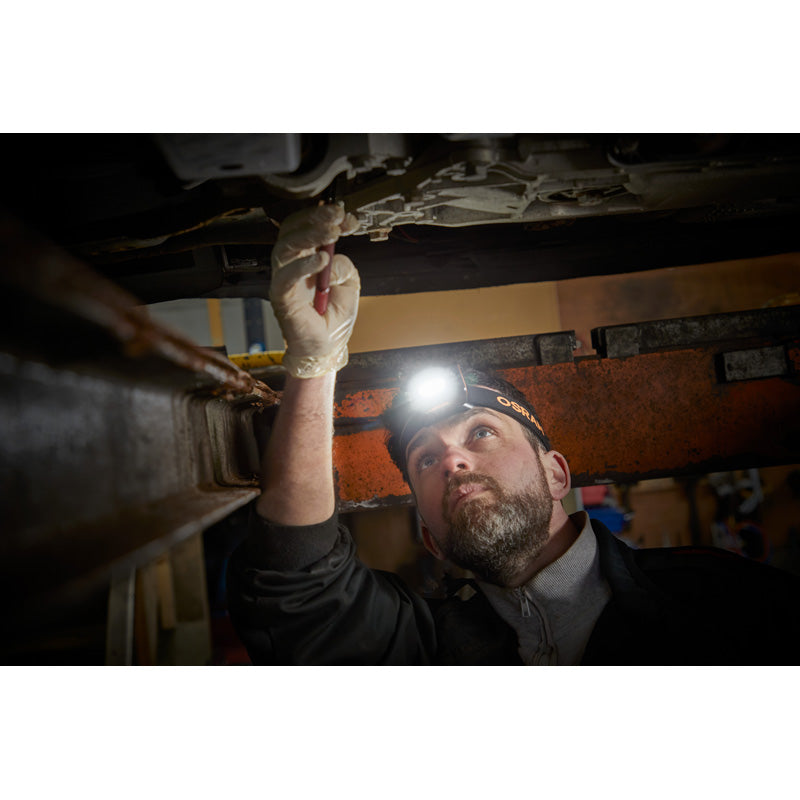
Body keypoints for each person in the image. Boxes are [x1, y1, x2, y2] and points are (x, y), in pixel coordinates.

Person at [227, 204, 800, 665]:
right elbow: (298, 586)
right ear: (429, 538)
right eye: (425, 459)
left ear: (556, 474)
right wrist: (315, 365)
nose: (452, 461)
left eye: (480, 432)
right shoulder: (417, 649)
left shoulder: (720, 601)